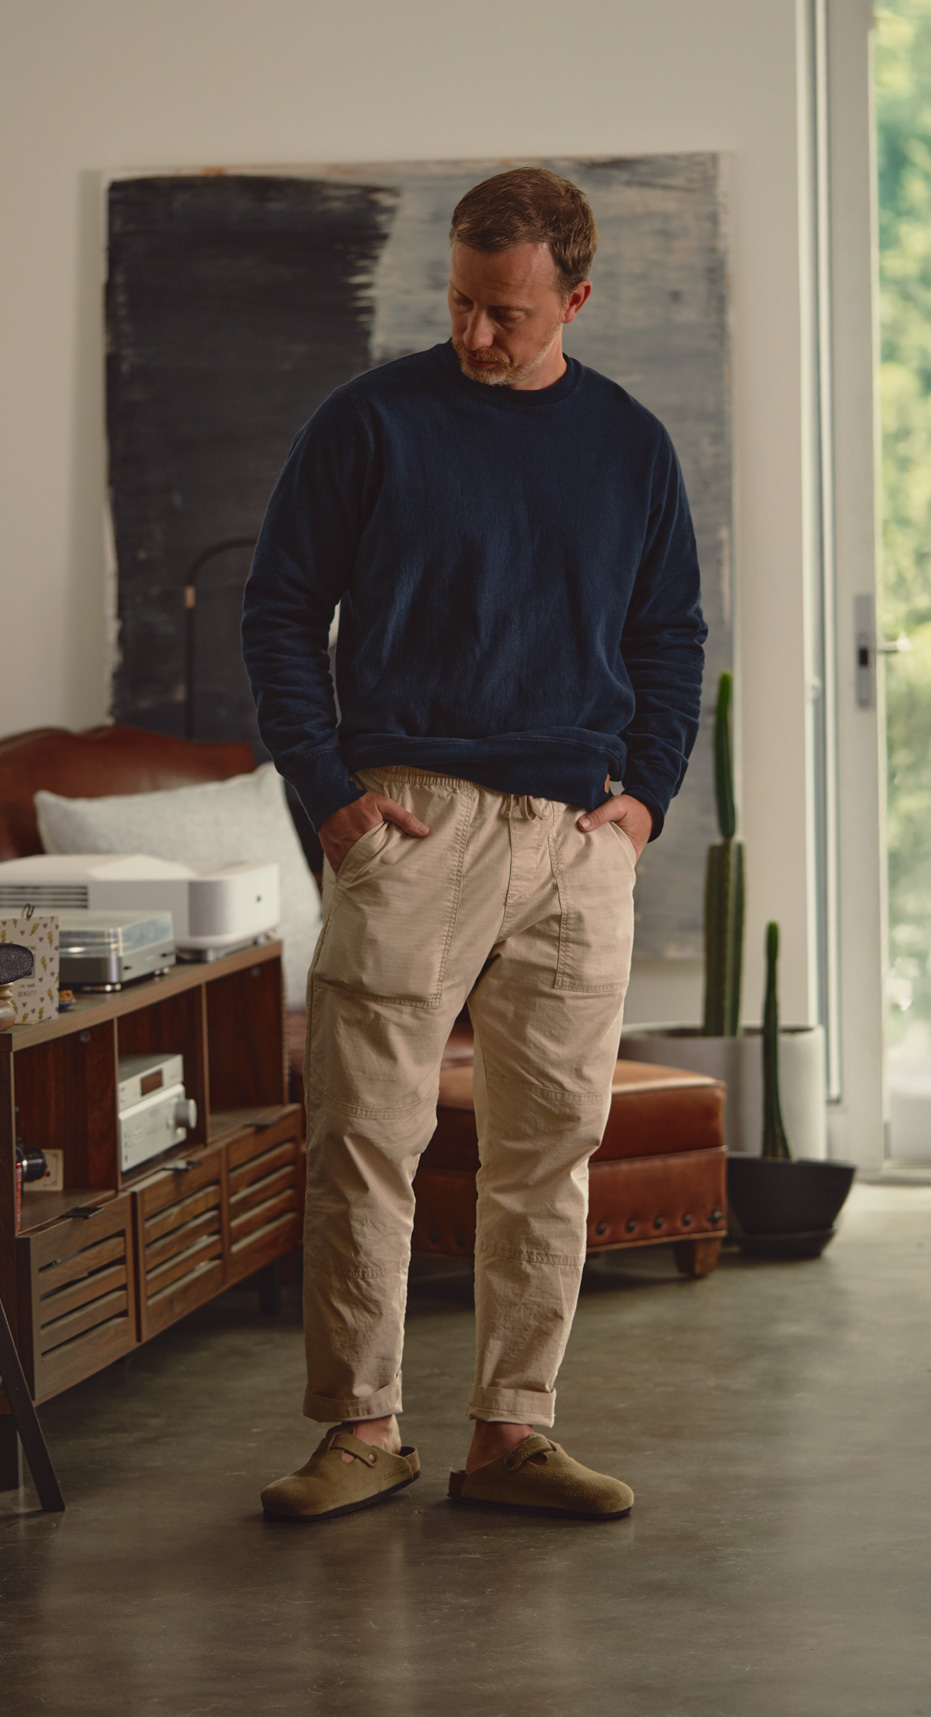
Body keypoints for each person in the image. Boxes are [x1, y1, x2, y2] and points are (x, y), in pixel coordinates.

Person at [242, 166, 706, 1523]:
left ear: (572, 296)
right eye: (459, 301)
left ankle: (513, 1431)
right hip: (410, 817)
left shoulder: (630, 445)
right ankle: (360, 1428)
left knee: (548, 1149)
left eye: (505, 311)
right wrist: (329, 790)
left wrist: (645, 803)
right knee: (365, 1137)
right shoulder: (370, 423)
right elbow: (281, 605)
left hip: (574, 835)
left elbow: (669, 636)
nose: (476, 333)